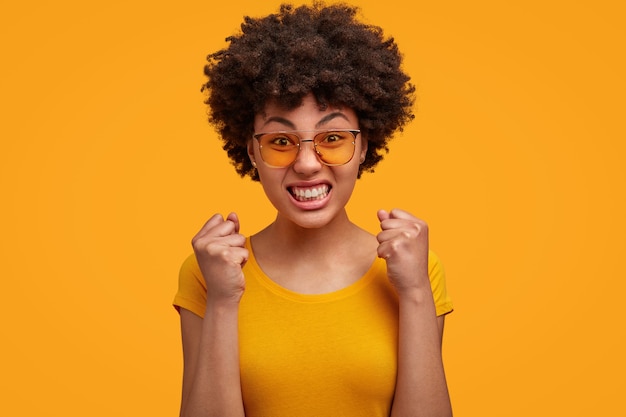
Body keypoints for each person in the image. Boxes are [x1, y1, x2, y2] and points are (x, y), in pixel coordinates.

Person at [173, 3, 454, 416]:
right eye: (281, 142)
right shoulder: (208, 272)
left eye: (333, 138)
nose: (306, 164)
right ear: (252, 149)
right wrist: (222, 299)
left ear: (364, 146)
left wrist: (414, 293)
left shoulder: (416, 269)